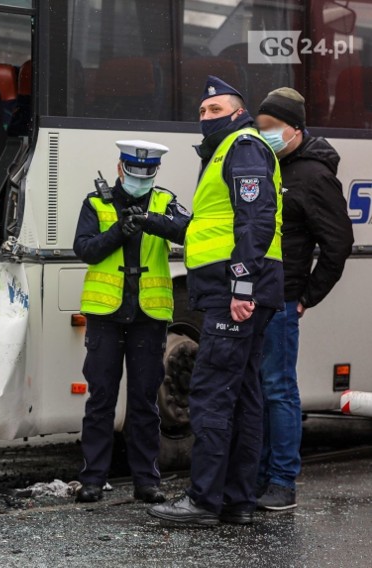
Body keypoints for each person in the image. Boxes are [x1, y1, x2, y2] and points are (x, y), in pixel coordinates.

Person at [148, 76, 283, 526]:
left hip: (236, 291)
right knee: (243, 396)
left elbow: (256, 219)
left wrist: (242, 287)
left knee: (210, 394)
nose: (206, 118)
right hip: (235, 289)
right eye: (203, 112)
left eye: (216, 110)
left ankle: (204, 500)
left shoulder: (242, 147)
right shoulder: (229, 151)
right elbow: (215, 227)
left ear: (239, 111)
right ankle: (236, 501)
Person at [73, 140, 189, 504]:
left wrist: (153, 222)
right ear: (121, 168)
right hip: (106, 315)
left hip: (148, 316)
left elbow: (187, 231)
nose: (141, 179)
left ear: (155, 172)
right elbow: (84, 249)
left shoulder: (164, 201)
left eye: (148, 173)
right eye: (135, 172)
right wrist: (118, 232)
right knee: (101, 400)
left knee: (144, 402)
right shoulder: (96, 203)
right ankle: (92, 479)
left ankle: (146, 481)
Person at [255, 88, 354, 511]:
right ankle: (256, 477)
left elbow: (338, 245)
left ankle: (282, 482)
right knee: (257, 391)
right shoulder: (267, 167)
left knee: (278, 390)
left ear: (293, 130)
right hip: (257, 298)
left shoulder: (313, 177)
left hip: (282, 301)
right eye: (260, 129)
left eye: (271, 129)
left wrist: (305, 297)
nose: (265, 136)